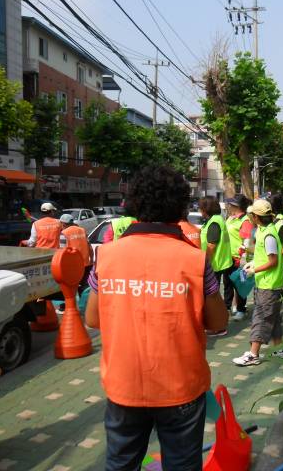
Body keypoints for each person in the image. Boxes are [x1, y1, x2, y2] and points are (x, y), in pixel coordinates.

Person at [85, 165, 228, 471]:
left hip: (124, 385)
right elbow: (218, 323)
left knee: (121, 464)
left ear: (134, 203)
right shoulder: (194, 259)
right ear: (180, 207)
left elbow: (93, 319)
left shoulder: (107, 256)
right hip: (181, 388)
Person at [233, 200, 283, 366]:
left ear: (256, 217)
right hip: (269, 283)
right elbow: (265, 256)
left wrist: (254, 270)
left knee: (261, 318)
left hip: (268, 285)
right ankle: (279, 349)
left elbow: (273, 261)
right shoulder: (265, 230)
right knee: (274, 318)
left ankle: (253, 354)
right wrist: (254, 263)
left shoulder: (269, 235)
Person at [199, 196, 232, 336]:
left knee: (212, 299)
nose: (200, 211)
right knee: (214, 297)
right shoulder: (216, 220)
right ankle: (217, 325)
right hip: (219, 263)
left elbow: (211, 246)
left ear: (206, 209)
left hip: (215, 264)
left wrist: (202, 260)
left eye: (201, 208)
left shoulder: (214, 223)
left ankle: (218, 326)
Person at [224, 194, 253, 321]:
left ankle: (241, 309)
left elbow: (246, 241)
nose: (229, 206)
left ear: (237, 206)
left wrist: (241, 257)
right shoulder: (230, 218)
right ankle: (228, 307)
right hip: (227, 257)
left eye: (231, 204)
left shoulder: (245, 221)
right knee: (228, 284)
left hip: (239, 258)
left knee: (240, 284)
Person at [59, 213, 93, 290]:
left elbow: (62, 251)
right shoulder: (82, 230)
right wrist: (91, 259)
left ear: (63, 223)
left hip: (72, 266)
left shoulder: (64, 233)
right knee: (84, 288)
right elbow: (89, 247)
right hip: (85, 264)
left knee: (73, 289)